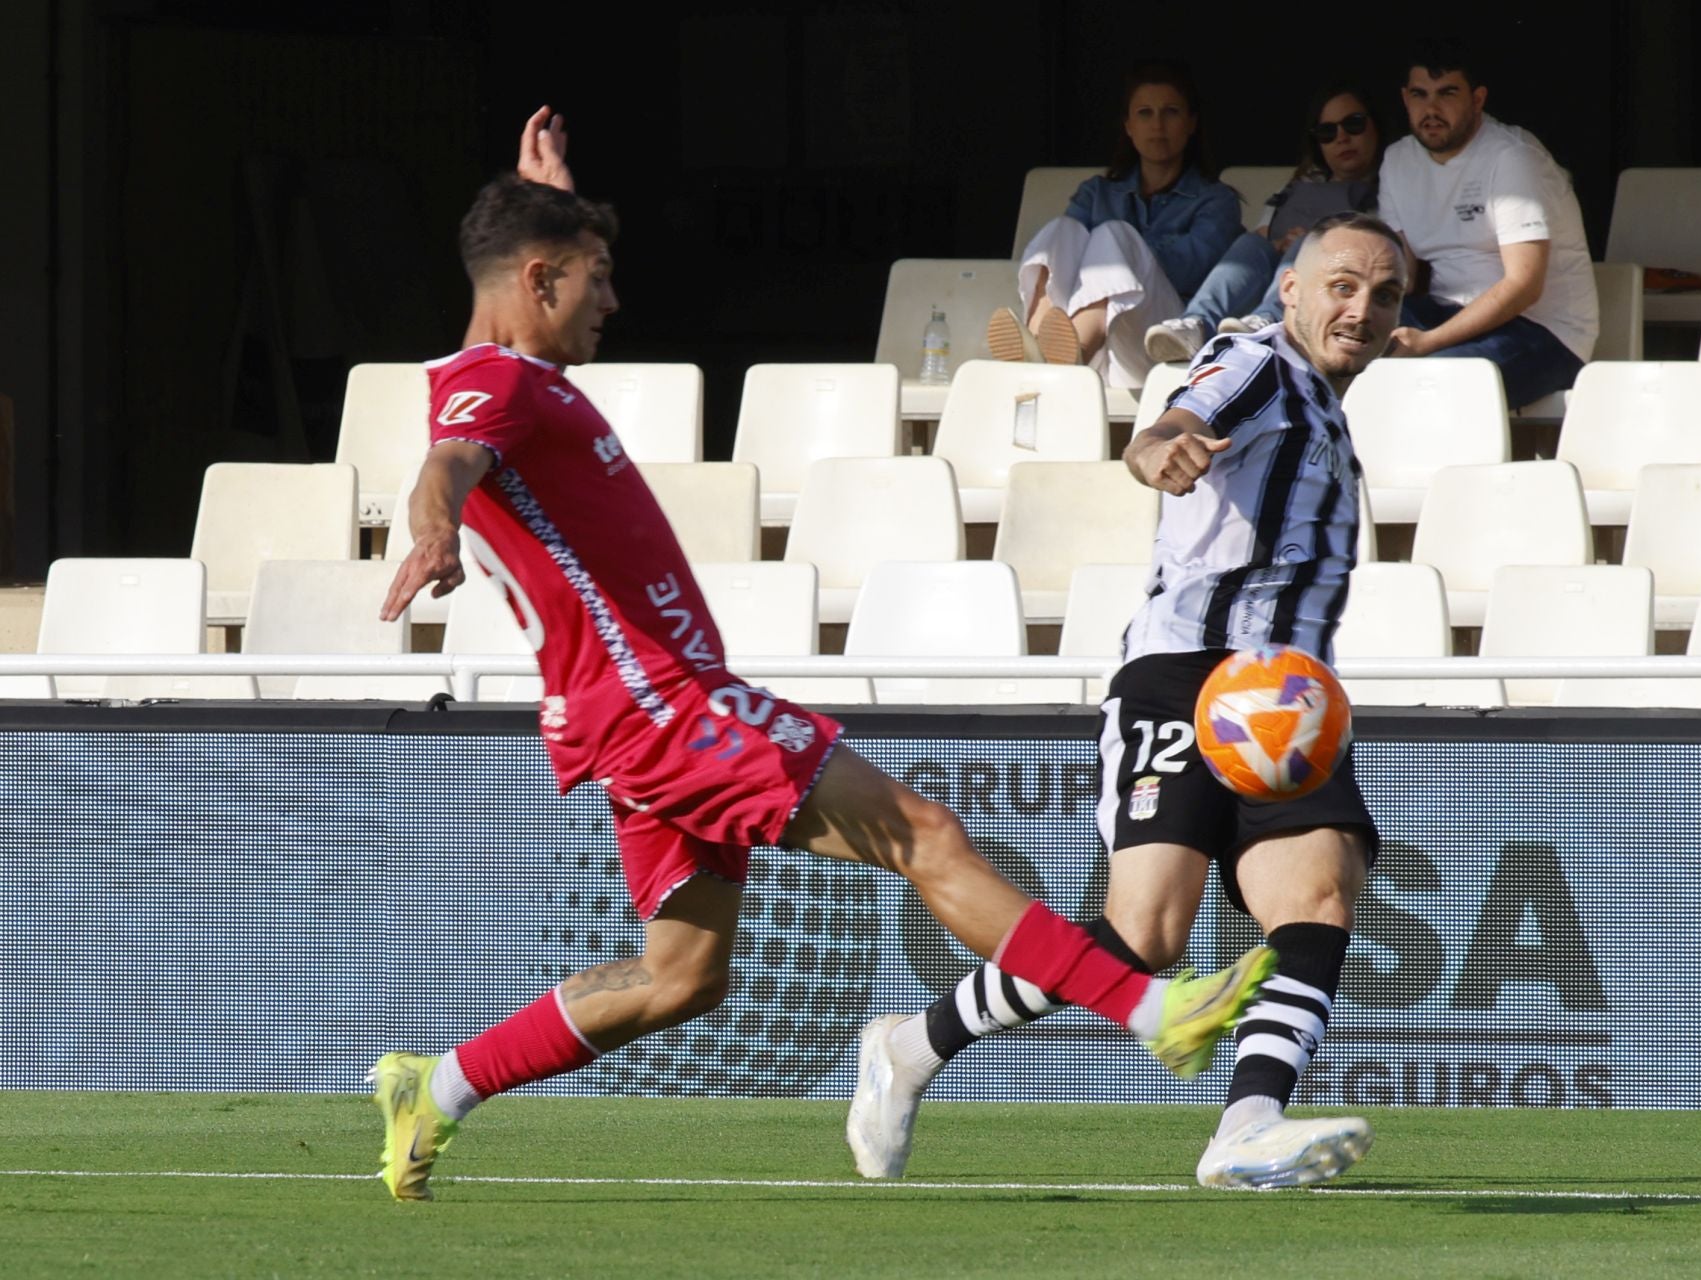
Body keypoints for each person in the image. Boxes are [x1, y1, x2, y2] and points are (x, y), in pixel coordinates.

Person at [367, 107, 1274, 1202]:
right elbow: (449, 460)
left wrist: (549, 204)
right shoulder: (493, 384)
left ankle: (443, 1083)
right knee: (924, 832)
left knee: (682, 976)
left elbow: (491, 375)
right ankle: (1149, 1012)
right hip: (659, 706)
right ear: (541, 278)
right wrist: (432, 527)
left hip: (641, 712)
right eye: (596, 277)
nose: (614, 300)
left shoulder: (518, 370)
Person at [846, 210, 1408, 1191]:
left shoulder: (1329, 413)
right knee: (1143, 937)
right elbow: (1175, 424)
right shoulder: (1259, 362)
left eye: (1384, 293)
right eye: (1343, 285)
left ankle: (1247, 1124)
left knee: (1317, 896)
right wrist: (1164, 447)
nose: (1361, 308)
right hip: (1188, 677)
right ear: (1290, 288)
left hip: (1286, 701)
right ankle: (911, 1044)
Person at [991, 59, 1243, 388]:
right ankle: (1038, 337)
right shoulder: (1096, 193)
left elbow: (1188, 270)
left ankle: (1073, 351)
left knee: (1113, 234)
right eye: (1144, 113)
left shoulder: (1216, 200)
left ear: (1192, 122)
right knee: (1062, 230)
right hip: (1103, 356)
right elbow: (1066, 257)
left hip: (1160, 343)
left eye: (1170, 112)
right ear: (1128, 125)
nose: (1157, 125)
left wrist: (1126, 248)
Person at [1375, 41, 1598, 408]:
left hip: (1543, 332)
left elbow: (1524, 286)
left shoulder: (1512, 156)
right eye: (1419, 95)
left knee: (1433, 383)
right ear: (1404, 99)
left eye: (1447, 93)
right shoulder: (1398, 160)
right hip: (1447, 312)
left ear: (1477, 100)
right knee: (1351, 342)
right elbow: (1406, 277)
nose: (1431, 109)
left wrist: (1429, 342)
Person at [1145, 84, 1389, 363]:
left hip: (1335, 296)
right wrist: (1280, 244)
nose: (1341, 138)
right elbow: (1262, 237)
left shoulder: (1392, 184)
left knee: (1308, 244)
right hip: (1281, 281)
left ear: (1376, 126)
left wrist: (1310, 244)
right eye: (1327, 132)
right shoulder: (1300, 188)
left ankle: (1267, 322)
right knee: (1252, 243)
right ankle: (1195, 324)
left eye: (1353, 125)